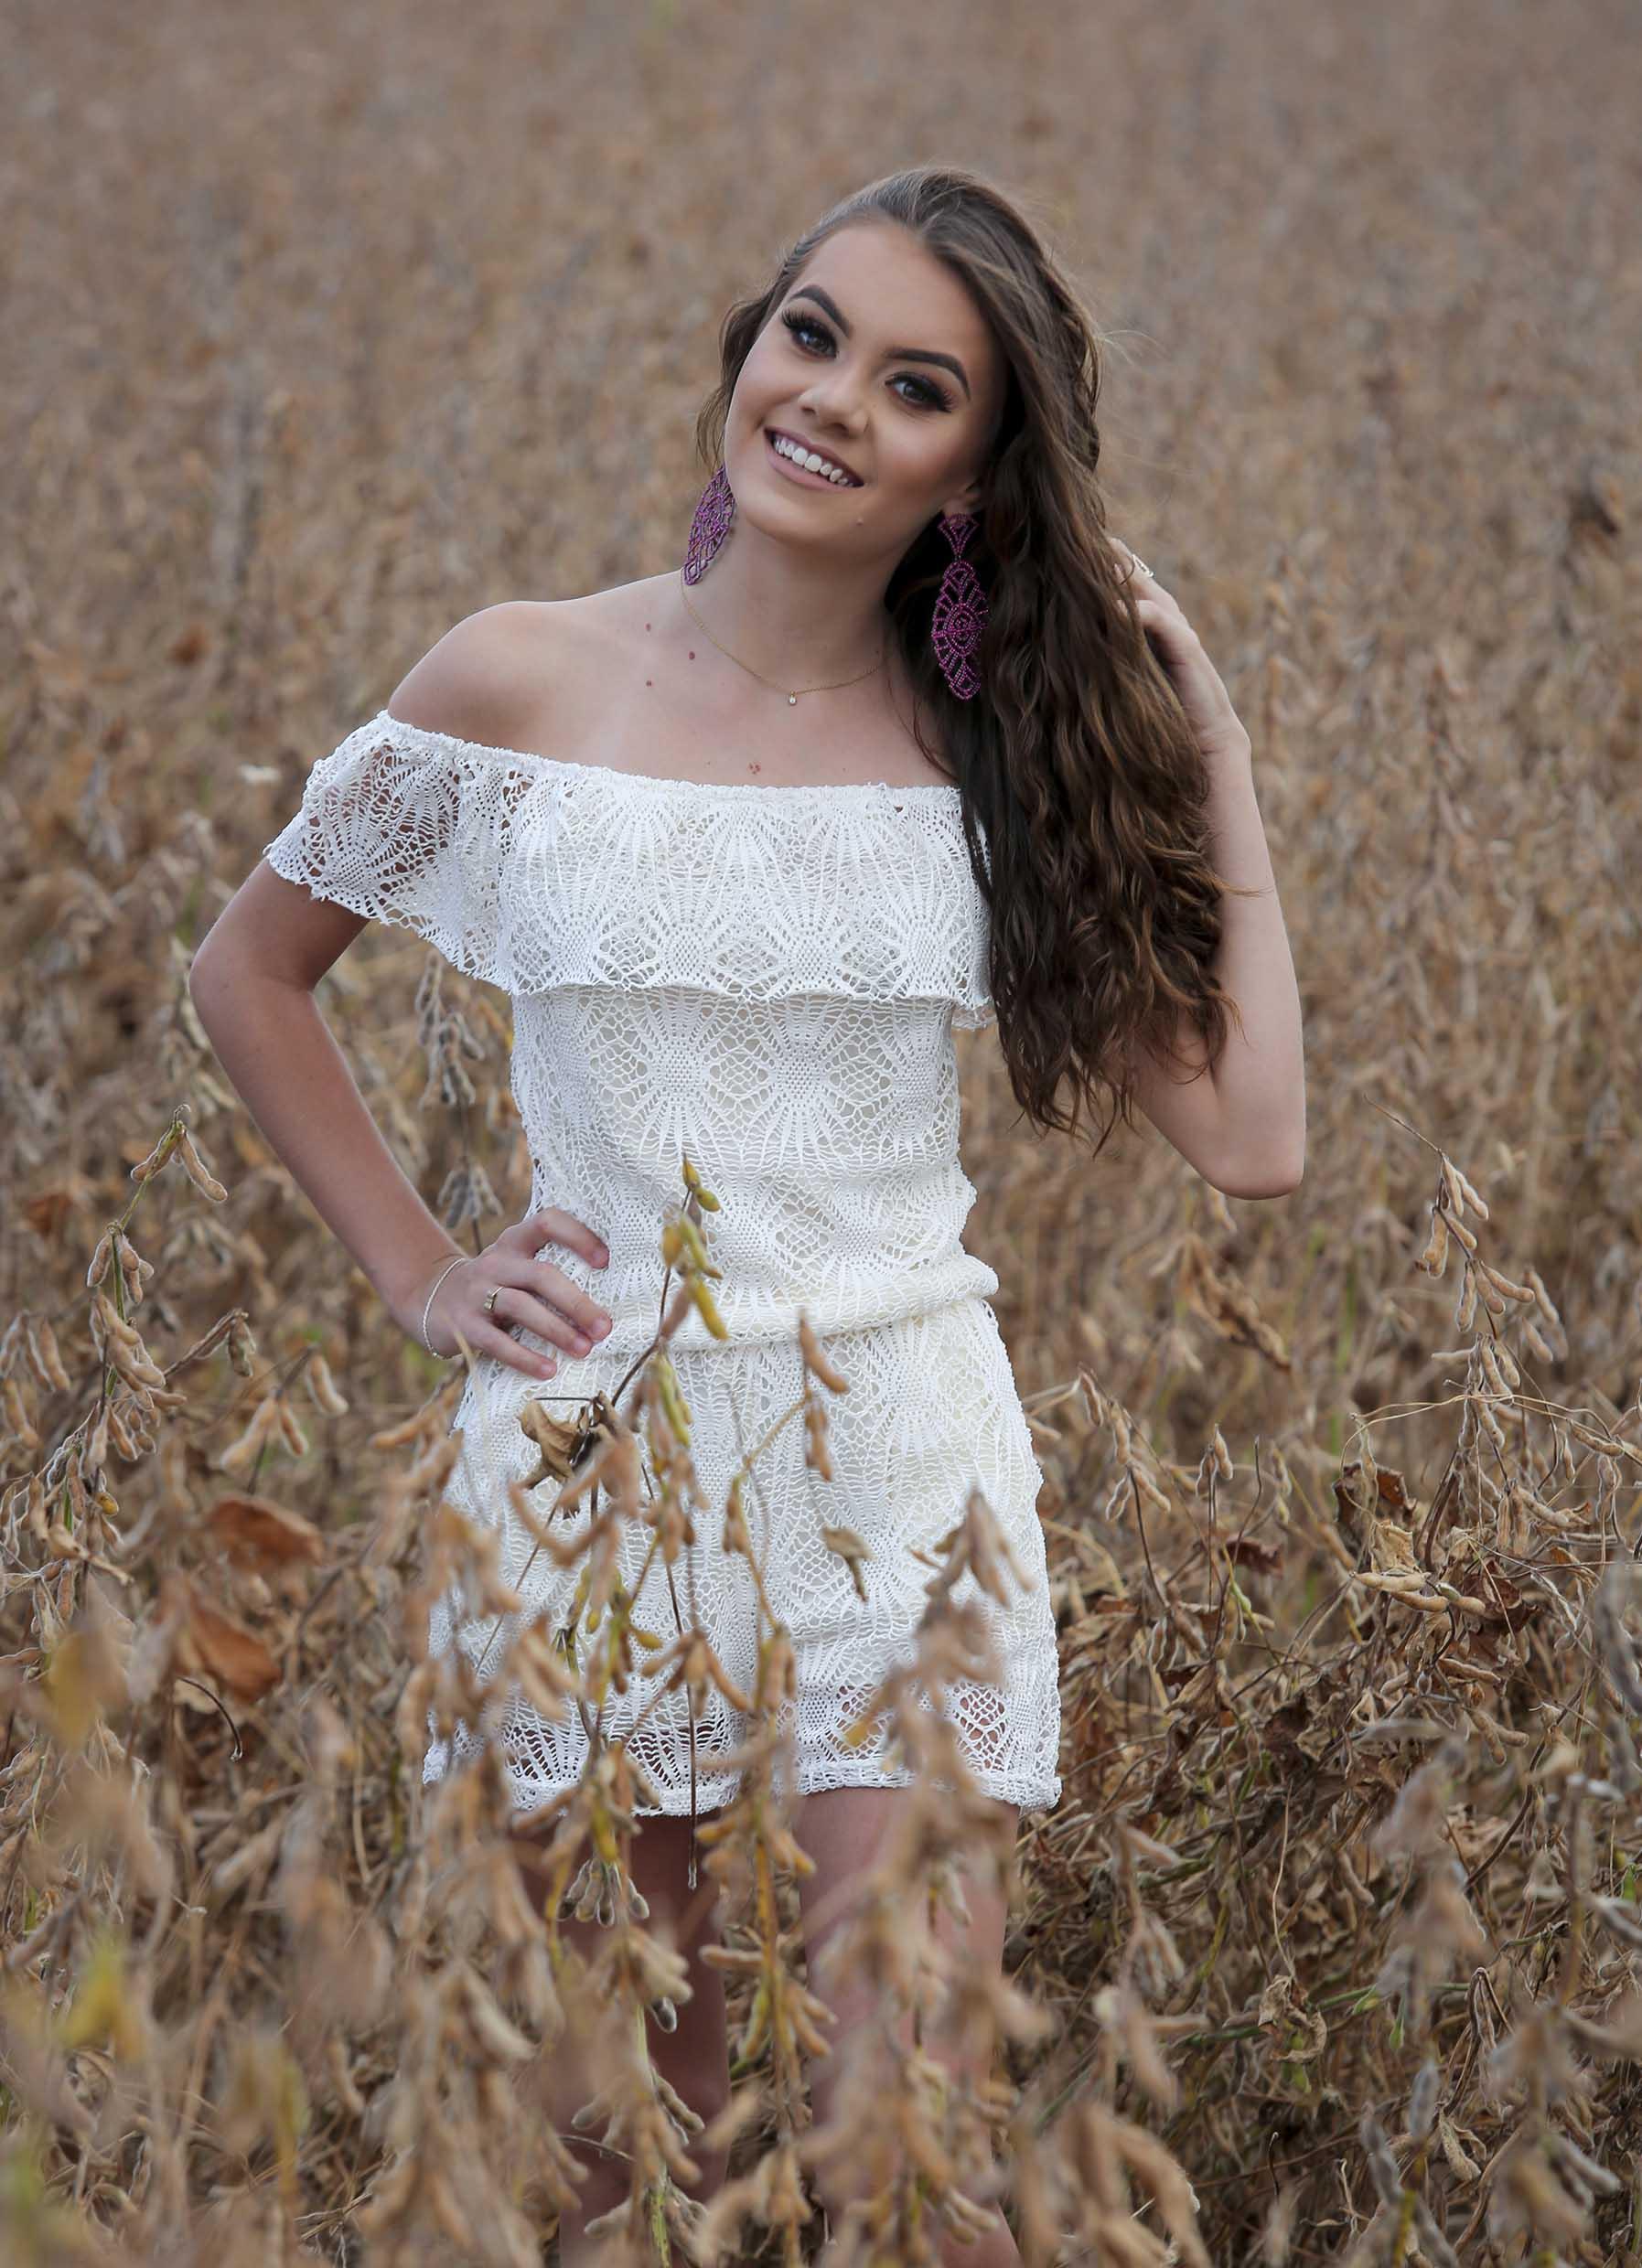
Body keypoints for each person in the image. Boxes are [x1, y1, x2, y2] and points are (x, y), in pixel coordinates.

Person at [189, 163, 1304, 2265]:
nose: (831, 402)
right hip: (593, 1469)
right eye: (811, 335)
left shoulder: (994, 758)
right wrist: (423, 1272)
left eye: (913, 387)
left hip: (902, 1478)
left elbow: (1251, 1136)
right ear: (748, 347)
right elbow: (247, 971)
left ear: (971, 473)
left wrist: (1215, 745)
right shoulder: (518, 678)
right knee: (625, 2162)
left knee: (916, 2160)